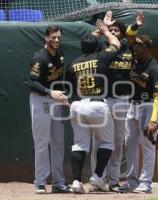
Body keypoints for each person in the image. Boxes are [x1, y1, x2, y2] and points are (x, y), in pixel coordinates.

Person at [90, 10, 144, 192]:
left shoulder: (128, 49)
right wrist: (102, 29)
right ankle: (98, 177)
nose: (113, 32)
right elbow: (87, 40)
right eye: (111, 29)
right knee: (100, 140)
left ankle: (113, 179)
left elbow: (131, 33)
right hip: (104, 99)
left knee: (118, 140)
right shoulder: (102, 49)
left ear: (121, 33)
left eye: (116, 30)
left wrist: (135, 25)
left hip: (122, 100)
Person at [65, 20, 121, 194]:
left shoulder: (72, 63)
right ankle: (97, 176)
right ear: (97, 46)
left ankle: (75, 181)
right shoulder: (101, 57)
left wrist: (96, 33)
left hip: (76, 104)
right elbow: (116, 43)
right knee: (107, 142)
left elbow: (67, 87)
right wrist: (105, 30)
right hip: (96, 104)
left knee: (79, 145)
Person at [117, 35, 158, 194]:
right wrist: (136, 24)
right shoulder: (134, 61)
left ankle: (145, 183)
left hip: (149, 106)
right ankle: (131, 182)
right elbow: (129, 34)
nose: (134, 48)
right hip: (133, 105)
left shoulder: (155, 69)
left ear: (147, 48)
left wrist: (154, 120)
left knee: (148, 146)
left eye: (138, 46)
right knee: (129, 144)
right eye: (134, 46)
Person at [28, 25, 69, 194]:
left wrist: (62, 96)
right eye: (53, 37)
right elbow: (32, 82)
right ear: (46, 38)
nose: (57, 40)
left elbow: (58, 79)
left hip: (56, 101)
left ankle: (59, 182)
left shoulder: (59, 54)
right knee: (42, 142)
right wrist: (50, 92)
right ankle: (40, 181)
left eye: (59, 37)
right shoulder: (40, 58)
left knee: (58, 143)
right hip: (41, 100)